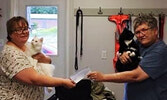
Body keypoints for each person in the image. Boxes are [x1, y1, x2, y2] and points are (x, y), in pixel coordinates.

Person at [87, 14, 167, 100]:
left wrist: (103, 77)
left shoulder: (160, 50)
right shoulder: (138, 44)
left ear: (155, 31)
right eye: (137, 32)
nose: (141, 35)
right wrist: (122, 56)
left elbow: (136, 76)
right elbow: (121, 69)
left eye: (144, 30)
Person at [0, 16, 76, 100]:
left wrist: (45, 59)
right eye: (19, 29)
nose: (24, 32)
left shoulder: (27, 45)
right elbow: (34, 79)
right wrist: (63, 82)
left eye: (25, 28)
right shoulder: (10, 54)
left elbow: (47, 60)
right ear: (10, 34)